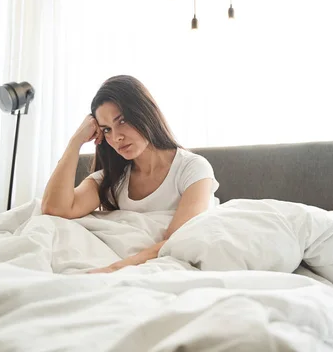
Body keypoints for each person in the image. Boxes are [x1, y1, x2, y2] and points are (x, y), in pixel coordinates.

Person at [41, 75, 219, 273]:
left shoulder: (192, 169)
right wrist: (75, 143)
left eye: (122, 120)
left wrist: (115, 269)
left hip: (146, 268)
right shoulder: (113, 179)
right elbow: (54, 209)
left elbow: (178, 240)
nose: (117, 137)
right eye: (106, 129)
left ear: (144, 113)